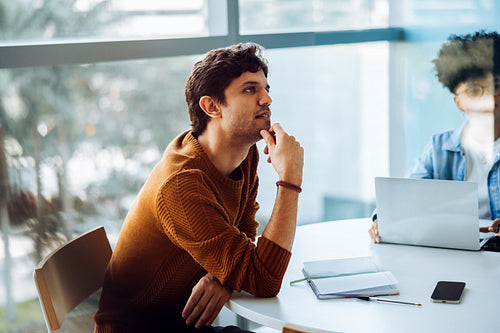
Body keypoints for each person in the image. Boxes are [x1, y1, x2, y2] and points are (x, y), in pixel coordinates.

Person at [93, 43, 304, 332]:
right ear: (211, 106)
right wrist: (290, 179)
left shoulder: (242, 154)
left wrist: (223, 276)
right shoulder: (182, 185)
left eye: (266, 88)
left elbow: (243, 231)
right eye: (249, 89)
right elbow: (263, 280)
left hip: (182, 323)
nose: (266, 98)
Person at [370, 31, 500, 243]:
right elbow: (406, 199)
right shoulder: (439, 148)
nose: (488, 98)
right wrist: (382, 219)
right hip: (455, 252)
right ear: (459, 102)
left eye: (494, 85)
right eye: (475, 91)